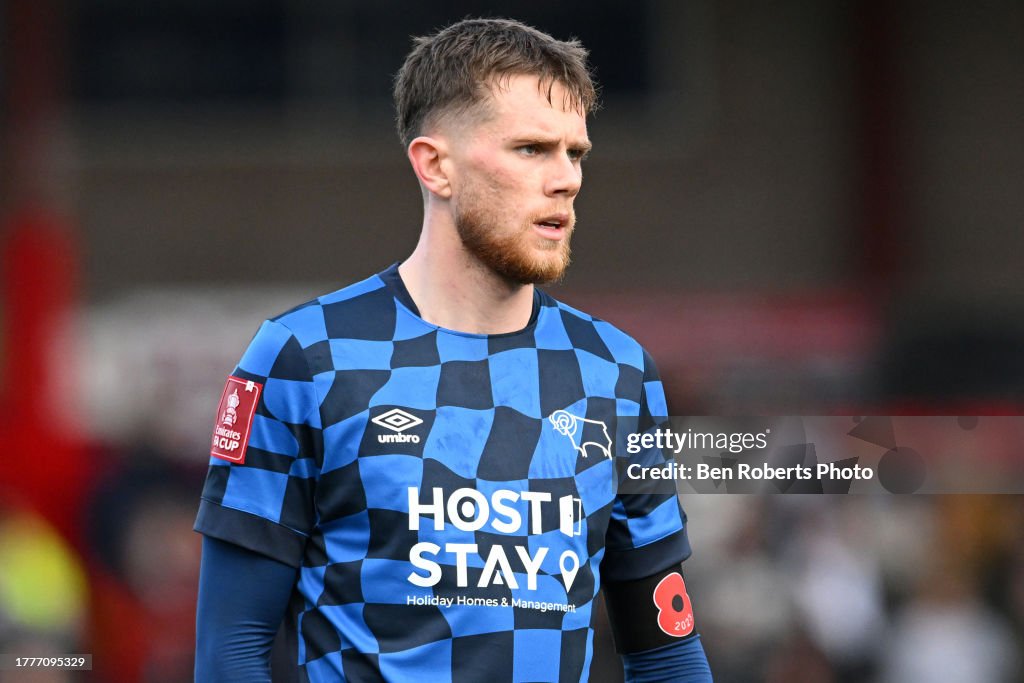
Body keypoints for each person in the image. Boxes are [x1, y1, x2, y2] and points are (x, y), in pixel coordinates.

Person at [194, 18, 712, 682]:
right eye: (531, 148)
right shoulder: (306, 357)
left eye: (575, 153)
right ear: (435, 165)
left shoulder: (616, 372)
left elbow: (667, 653)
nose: (566, 179)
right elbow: (230, 654)